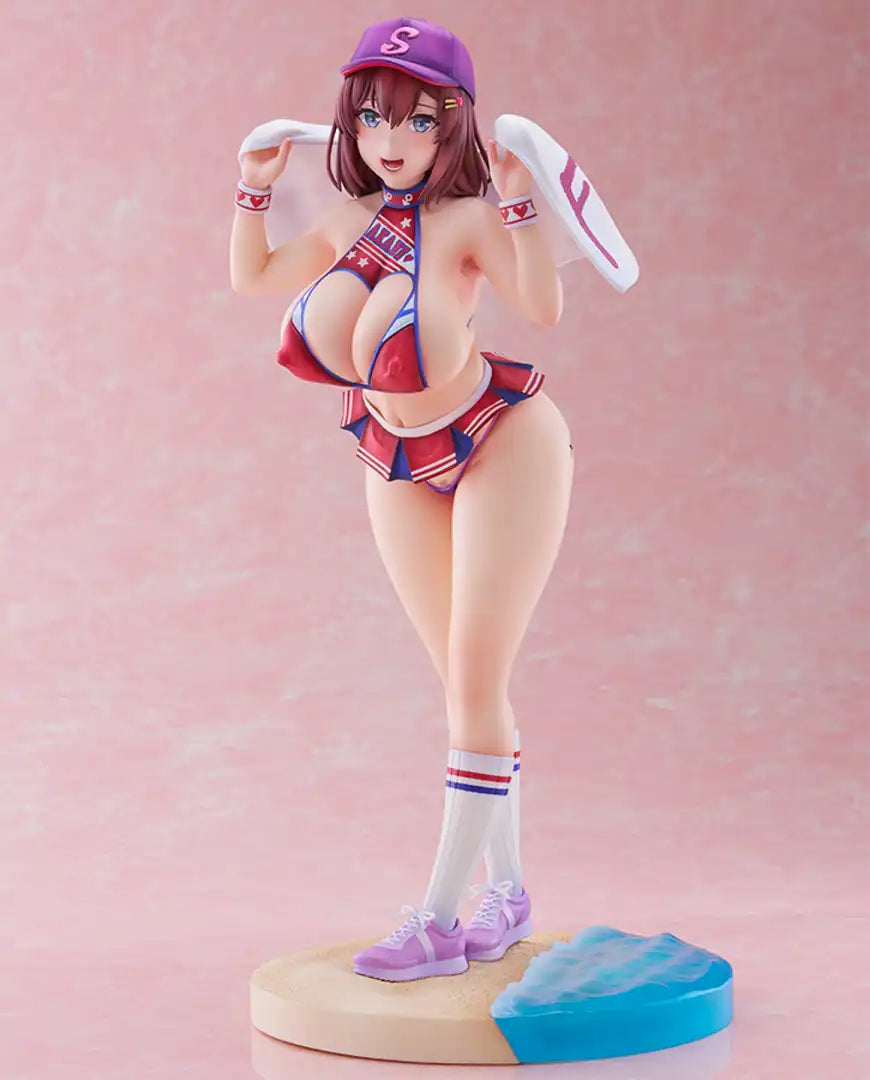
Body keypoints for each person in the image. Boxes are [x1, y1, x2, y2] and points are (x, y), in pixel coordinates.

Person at [230, 16, 574, 982]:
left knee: (475, 683)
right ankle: (508, 897)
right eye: (375, 116)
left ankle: (437, 918)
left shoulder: (464, 222)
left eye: (419, 120)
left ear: (452, 125)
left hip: (503, 442)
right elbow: (252, 276)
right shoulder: (348, 221)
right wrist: (253, 186)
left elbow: (543, 307)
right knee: (465, 689)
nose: (392, 139)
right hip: (393, 454)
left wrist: (519, 202)